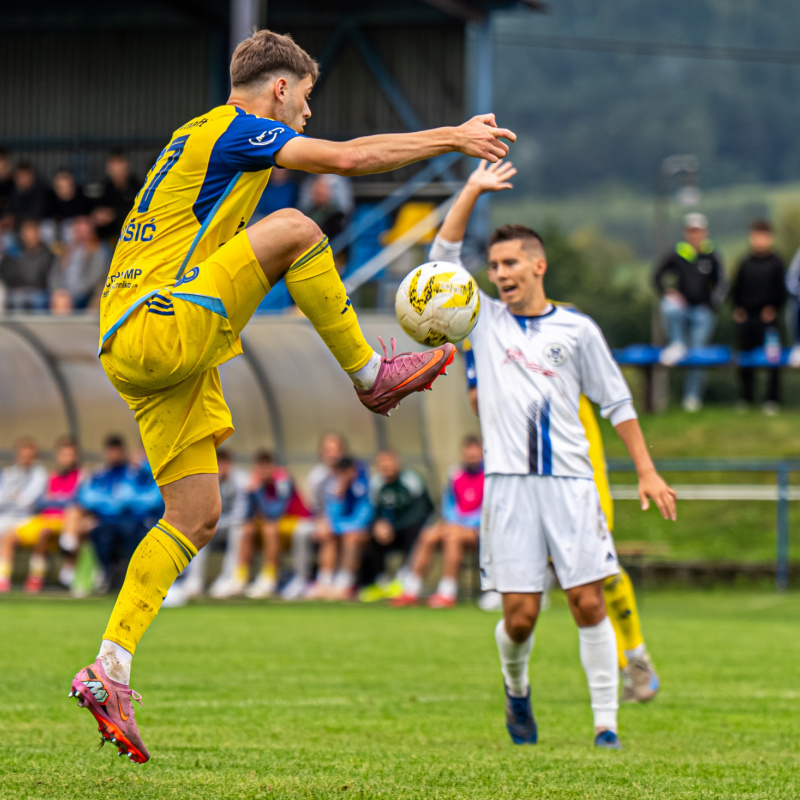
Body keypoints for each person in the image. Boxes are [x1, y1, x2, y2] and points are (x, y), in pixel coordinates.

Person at [69, 28, 513, 763]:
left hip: (131, 347)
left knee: (196, 512)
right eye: (305, 97)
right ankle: (372, 374)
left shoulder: (198, 144)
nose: (307, 113)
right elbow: (348, 159)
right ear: (279, 89)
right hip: (158, 321)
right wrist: (455, 137)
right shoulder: (234, 129)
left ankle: (109, 667)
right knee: (299, 227)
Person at [428, 159, 676, 749]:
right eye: (492, 266)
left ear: (538, 266)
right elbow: (441, 262)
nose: (499, 274)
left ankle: (606, 725)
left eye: (510, 263)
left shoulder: (579, 329)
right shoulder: (481, 322)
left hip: (571, 482)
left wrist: (646, 469)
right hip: (509, 487)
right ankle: (517, 693)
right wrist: (470, 190)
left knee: (588, 600)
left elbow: (617, 402)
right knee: (520, 616)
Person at [392, 437, 484, 609]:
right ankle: (411, 589)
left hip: (479, 531)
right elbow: (449, 504)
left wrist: (463, 523)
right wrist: (454, 521)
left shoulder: (490, 475)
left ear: (482, 453)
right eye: (468, 452)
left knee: (452, 537)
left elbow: (488, 509)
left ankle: (447, 592)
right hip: (456, 526)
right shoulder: (455, 475)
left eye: (475, 452)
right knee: (429, 534)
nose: (471, 456)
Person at [654, 212, 727, 412]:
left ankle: (691, 399)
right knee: (668, 307)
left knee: (697, 354)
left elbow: (722, 283)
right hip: (683, 309)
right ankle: (676, 343)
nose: (695, 235)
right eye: (692, 231)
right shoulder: (678, 253)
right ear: (686, 233)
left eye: (699, 231)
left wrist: (712, 304)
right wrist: (667, 292)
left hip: (702, 312)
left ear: (705, 232)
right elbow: (657, 276)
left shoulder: (711, 255)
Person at [0, 436, 82, 594]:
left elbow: (31, 501)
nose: (25, 460)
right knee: (8, 538)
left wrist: (52, 500)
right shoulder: (52, 476)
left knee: (44, 532)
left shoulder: (76, 476)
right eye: (64, 454)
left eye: (70, 455)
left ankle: (36, 578)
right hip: (38, 519)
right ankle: (3, 581)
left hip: (54, 521)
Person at [166, 449, 249, 604]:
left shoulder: (241, 481)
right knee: (200, 530)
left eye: (225, 463)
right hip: (214, 526)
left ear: (230, 464)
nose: (222, 467)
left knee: (239, 530)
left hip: (231, 526)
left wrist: (215, 523)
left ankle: (228, 579)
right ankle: (194, 581)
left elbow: (240, 515)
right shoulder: (206, 481)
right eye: (219, 463)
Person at [75, 435, 151, 594]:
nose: (114, 454)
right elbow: (86, 497)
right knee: (99, 532)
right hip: (106, 521)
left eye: (118, 451)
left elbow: (150, 497)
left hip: (133, 521)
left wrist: (123, 501)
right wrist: (113, 503)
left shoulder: (136, 471)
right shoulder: (99, 474)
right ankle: (107, 574)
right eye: (111, 451)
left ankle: (135, 578)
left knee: (135, 535)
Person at [358, 449, 433, 602]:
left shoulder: (411, 480)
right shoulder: (377, 483)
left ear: (397, 463)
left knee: (415, 530)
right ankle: (381, 580)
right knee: (367, 535)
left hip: (408, 530)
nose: (386, 467)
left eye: (389, 462)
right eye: (382, 464)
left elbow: (422, 511)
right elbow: (373, 511)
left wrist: (393, 526)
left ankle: (405, 577)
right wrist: (378, 525)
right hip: (388, 533)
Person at [233, 450, 309, 599]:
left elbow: (276, 511)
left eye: (267, 466)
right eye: (260, 467)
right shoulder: (256, 482)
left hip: (295, 521)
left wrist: (259, 491)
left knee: (269, 528)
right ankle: (240, 577)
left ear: (274, 467)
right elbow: (247, 515)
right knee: (247, 528)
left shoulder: (283, 480)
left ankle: (269, 577)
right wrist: (249, 492)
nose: (263, 471)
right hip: (276, 524)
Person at [732, 220, 786, 413]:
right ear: (752, 237)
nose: (760, 240)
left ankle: (772, 400)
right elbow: (736, 289)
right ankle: (746, 399)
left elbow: (783, 291)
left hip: (769, 321)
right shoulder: (744, 263)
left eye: (764, 236)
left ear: (769, 238)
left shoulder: (777, 262)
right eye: (757, 236)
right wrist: (738, 309)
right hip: (747, 320)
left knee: (773, 360)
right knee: (745, 360)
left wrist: (773, 308)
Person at [309, 455, 373, 600]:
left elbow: (363, 519)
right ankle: (324, 582)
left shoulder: (364, 488)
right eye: (341, 472)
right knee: (328, 535)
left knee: (351, 537)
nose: (344, 476)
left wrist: (340, 528)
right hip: (342, 530)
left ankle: (344, 584)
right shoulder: (334, 488)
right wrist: (339, 497)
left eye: (347, 471)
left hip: (363, 532)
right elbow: (332, 517)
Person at [0, 436, 48, 592]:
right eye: (23, 456)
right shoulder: (8, 474)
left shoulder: (40, 474)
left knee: (8, 537)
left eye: (30, 456)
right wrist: (14, 497)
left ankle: (4, 580)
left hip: (26, 519)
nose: (26, 460)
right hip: (4, 517)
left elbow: (28, 500)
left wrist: (14, 497)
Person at [50, 215, 111, 312]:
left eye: (83, 230)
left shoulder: (98, 249)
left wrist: (72, 293)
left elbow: (96, 276)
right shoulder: (67, 248)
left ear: (91, 231)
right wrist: (58, 290)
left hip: (84, 293)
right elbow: (54, 273)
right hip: (63, 293)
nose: (79, 234)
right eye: (77, 230)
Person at [1, 218, 56, 311]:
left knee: (37, 299)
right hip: (18, 291)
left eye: (32, 232)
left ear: (38, 234)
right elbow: (6, 273)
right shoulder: (14, 253)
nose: (29, 236)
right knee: (15, 298)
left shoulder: (47, 255)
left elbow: (47, 278)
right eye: (26, 232)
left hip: (40, 291)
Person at [91, 150, 141, 243]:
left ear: (126, 166)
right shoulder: (106, 188)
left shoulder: (137, 188)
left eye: (120, 163)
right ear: (108, 169)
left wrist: (114, 215)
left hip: (132, 238)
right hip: (107, 240)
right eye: (113, 164)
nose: (117, 169)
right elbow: (96, 212)